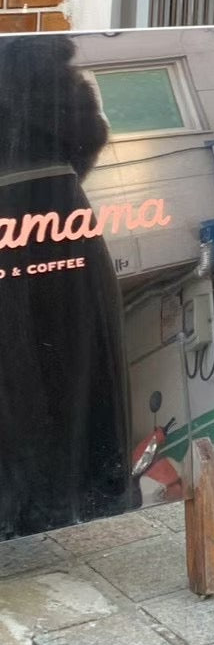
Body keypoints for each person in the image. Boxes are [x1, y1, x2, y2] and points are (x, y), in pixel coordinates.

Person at [0, 34, 132, 540]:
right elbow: (90, 140)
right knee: (78, 361)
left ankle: (20, 505)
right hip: (64, 219)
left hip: (24, 220)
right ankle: (79, 491)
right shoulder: (68, 82)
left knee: (15, 371)